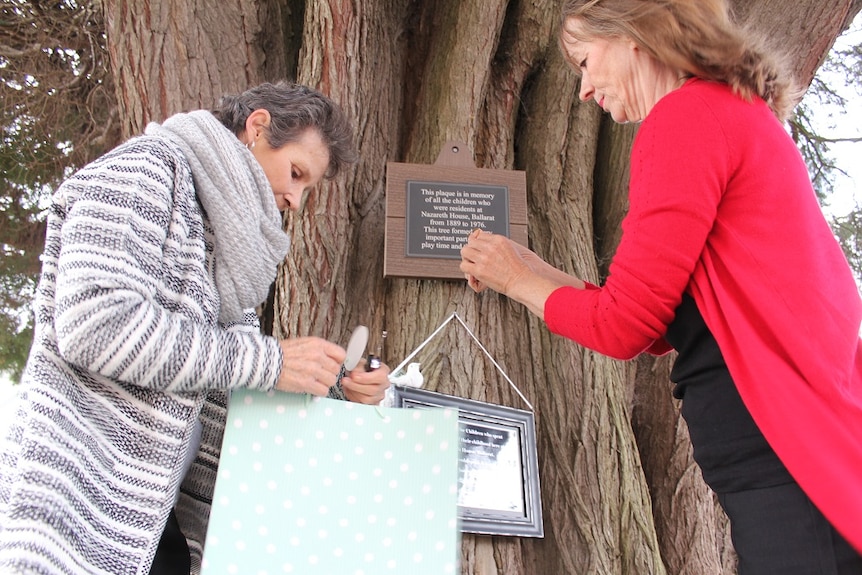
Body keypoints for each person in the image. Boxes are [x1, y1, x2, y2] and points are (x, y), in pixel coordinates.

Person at [460, 1, 862, 572]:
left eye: (583, 61)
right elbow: (659, 317)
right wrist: (534, 271)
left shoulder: (687, 116)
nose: (581, 90)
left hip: (785, 458)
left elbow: (625, 327)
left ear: (633, 35)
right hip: (789, 456)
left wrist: (518, 280)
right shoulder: (729, 114)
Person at [0, 82, 390, 574]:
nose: (294, 199)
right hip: (78, 517)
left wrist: (335, 390)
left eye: (306, 188)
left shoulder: (225, 252)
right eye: (295, 173)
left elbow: (229, 388)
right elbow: (94, 323)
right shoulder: (142, 169)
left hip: (162, 530)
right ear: (257, 127)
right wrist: (271, 362)